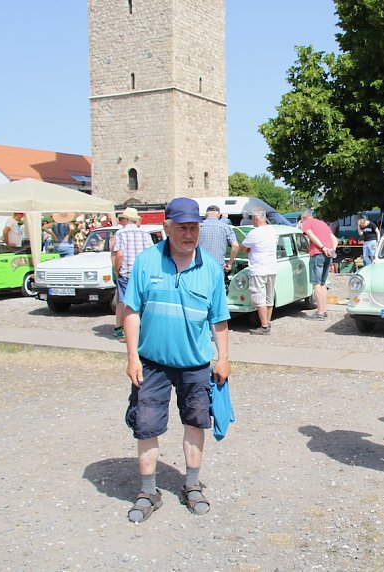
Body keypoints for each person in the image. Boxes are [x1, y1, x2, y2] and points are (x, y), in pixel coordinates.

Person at [122, 197, 231, 523]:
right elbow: (131, 311)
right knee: (146, 426)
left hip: (196, 364)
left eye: (193, 227)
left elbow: (219, 319)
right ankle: (148, 491)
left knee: (196, 422)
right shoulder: (146, 262)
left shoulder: (210, 267)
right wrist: (131, 357)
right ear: (166, 228)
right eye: (181, 227)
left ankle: (192, 485)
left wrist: (223, 359)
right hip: (152, 362)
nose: (188, 234)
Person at [112, 207, 154, 342]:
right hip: (142, 272)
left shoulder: (121, 234)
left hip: (127, 271)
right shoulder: (145, 234)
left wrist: (116, 269)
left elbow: (119, 254)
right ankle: (142, 330)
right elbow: (151, 253)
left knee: (127, 302)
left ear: (126, 220)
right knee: (142, 302)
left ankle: (127, 332)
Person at [239, 207, 277, 335]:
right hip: (271, 268)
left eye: (252, 218)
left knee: (259, 298)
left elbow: (243, 248)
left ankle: (264, 326)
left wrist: (250, 249)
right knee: (269, 298)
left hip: (258, 268)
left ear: (255, 218)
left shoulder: (254, 233)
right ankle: (268, 322)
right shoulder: (272, 230)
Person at [300, 210, 338, 320]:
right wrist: (332, 250)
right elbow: (334, 239)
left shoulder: (306, 222)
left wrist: (322, 247)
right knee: (323, 283)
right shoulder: (323, 223)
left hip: (317, 254)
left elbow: (310, 235)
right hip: (328, 254)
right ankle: (324, 310)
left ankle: (320, 312)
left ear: (303, 218)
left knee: (316, 283)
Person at [198, 204, 238, 274]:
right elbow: (235, 245)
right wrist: (230, 263)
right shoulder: (225, 227)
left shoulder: (198, 226)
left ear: (206, 214)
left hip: (201, 265)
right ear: (219, 214)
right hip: (218, 266)